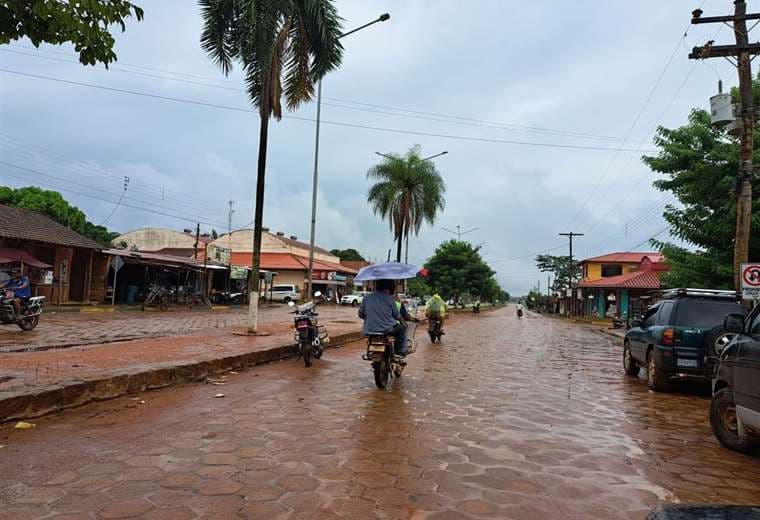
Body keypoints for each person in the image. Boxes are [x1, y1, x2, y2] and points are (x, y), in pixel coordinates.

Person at [358, 279, 407, 356]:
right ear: (387, 288)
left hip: (369, 329)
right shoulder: (390, 298)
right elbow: (397, 315)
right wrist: (403, 322)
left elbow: (360, 314)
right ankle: (399, 352)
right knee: (402, 329)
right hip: (387, 329)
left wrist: (371, 318)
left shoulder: (366, 298)